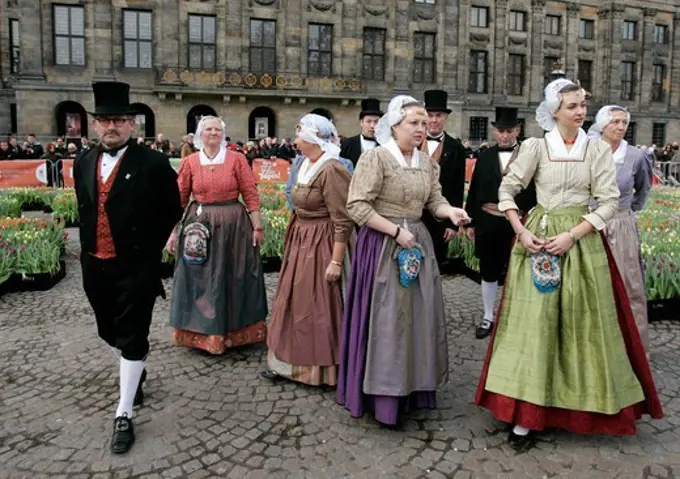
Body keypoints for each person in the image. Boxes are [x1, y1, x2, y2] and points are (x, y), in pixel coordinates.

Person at [475, 79, 663, 451]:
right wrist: (519, 228)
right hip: (538, 237)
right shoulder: (536, 147)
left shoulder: (596, 150)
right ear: (554, 111)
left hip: (578, 240)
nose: (581, 112)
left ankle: (580, 404)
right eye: (573, 106)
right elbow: (507, 190)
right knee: (535, 325)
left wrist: (573, 235)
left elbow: (609, 202)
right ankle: (527, 415)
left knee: (583, 323)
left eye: (582, 105)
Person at [337, 95, 471, 427]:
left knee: (416, 318)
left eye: (425, 124)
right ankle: (383, 397)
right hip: (382, 247)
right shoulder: (377, 159)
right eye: (414, 123)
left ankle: (413, 388)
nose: (421, 129)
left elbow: (434, 200)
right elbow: (357, 206)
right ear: (393, 126)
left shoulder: (426, 163)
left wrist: (449, 211)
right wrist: (394, 232)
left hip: (417, 245)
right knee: (387, 321)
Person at [73, 81, 182, 454]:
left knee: (133, 335)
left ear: (132, 125)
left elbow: (172, 208)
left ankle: (124, 413)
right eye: (104, 120)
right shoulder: (83, 161)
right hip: (95, 264)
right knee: (109, 331)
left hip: (136, 265)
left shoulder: (151, 162)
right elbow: (86, 209)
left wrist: (148, 253)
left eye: (119, 120)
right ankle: (134, 367)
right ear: (95, 124)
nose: (111, 127)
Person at [261, 114, 353, 385]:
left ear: (314, 139)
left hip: (323, 242)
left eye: (300, 136)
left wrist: (336, 262)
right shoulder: (304, 163)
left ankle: (322, 370)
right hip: (301, 239)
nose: (295, 141)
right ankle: (287, 364)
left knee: (319, 303)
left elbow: (342, 219)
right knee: (294, 300)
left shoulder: (332, 168)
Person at [167, 116, 268, 355]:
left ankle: (236, 331)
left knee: (236, 275)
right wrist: (173, 232)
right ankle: (202, 332)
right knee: (201, 277)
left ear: (222, 134)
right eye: (208, 129)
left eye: (217, 129)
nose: (213, 133)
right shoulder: (190, 161)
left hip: (235, 224)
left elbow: (250, 194)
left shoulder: (237, 159)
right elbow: (179, 199)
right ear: (200, 134)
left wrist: (258, 227)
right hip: (199, 225)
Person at [464, 107, 536, 339]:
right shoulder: (484, 156)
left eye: (510, 131)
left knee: (518, 270)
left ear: (518, 130)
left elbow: (535, 189)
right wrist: (470, 222)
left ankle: (516, 318)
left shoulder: (528, 156)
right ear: (494, 131)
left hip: (518, 223)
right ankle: (488, 316)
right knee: (488, 270)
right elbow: (474, 190)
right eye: (501, 131)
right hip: (488, 221)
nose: (505, 135)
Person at [587, 105, 653, 353]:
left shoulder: (635, 156)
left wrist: (626, 212)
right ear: (602, 125)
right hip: (591, 223)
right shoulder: (589, 151)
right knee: (593, 283)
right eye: (615, 121)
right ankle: (594, 345)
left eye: (624, 122)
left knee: (629, 285)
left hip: (620, 225)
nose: (620, 126)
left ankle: (633, 347)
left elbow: (643, 189)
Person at [419, 90, 467, 271]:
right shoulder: (412, 144)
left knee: (434, 266)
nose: (434, 120)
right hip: (413, 215)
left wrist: (451, 224)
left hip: (440, 219)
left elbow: (457, 187)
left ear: (445, 118)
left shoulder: (456, 148)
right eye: (430, 115)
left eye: (438, 115)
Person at [285, 108, 354, 211]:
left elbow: (342, 203)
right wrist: (300, 214)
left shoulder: (342, 164)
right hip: (301, 221)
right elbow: (289, 189)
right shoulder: (300, 161)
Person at [340, 98, 383, 166]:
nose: (372, 126)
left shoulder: (386, 145)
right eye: (368, 121)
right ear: (361, 122)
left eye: (376, 122)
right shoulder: (346, 145)